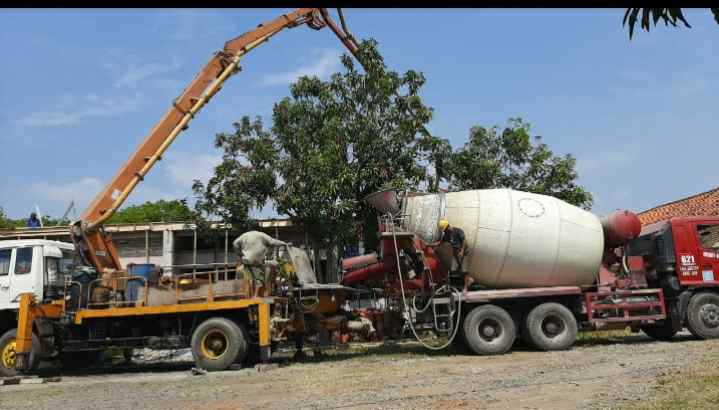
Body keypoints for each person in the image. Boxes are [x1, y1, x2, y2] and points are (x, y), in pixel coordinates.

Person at [431, 218, 474, 293]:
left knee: (464, 270)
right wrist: (432, 246)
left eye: (444, 230)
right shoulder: (447, 235)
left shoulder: (457, 231)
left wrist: (462, 251)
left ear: (447, 226)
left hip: (464, 252)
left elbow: (464, 241)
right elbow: (440, 242)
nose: (444, 231)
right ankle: (468, 280)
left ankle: (465, 288)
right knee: (455, 270)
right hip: (456, 253)